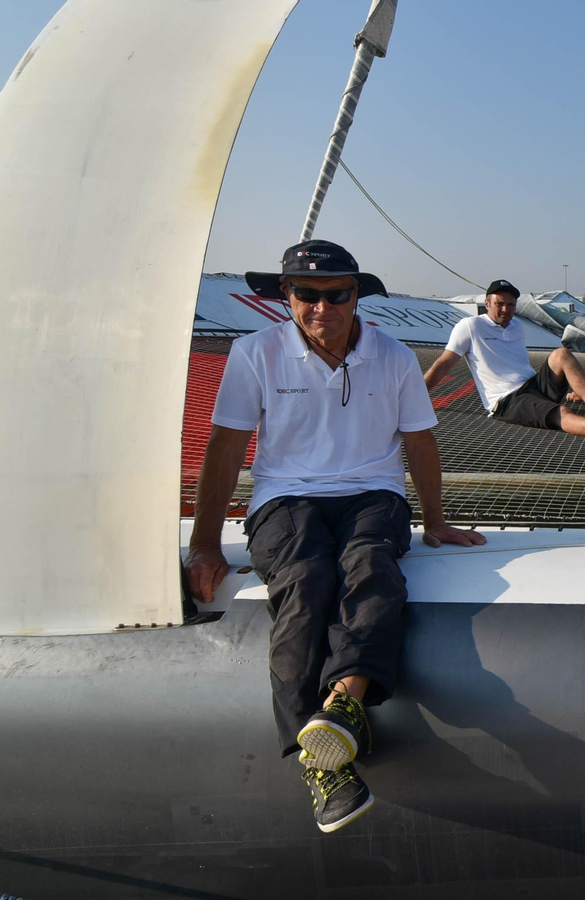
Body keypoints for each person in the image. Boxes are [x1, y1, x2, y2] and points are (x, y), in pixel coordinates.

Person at [184, 240, 486, 834]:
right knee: (305, 574)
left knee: (370, 564)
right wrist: (204, 543)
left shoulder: (394, 356)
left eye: (337, 294)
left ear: (357, 295)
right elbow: (224, 448)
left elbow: (420, 443)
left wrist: (435, 520)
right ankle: (321, 757)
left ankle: (342, 704)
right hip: (285, 496)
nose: (322, 308)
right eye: (306, 294)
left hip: (374, 492)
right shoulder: (254, 353)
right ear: (284, 296)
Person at [422, 279, 585, 446]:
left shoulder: (516, 326)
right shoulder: (470, 326)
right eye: (499, 304)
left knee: (562, 354)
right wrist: (416, 396)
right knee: (561, 413)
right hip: (508, 399)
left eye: (510, 304)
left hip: (533, 385)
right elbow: (443, 364)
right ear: (487, 303)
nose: (505, 309)